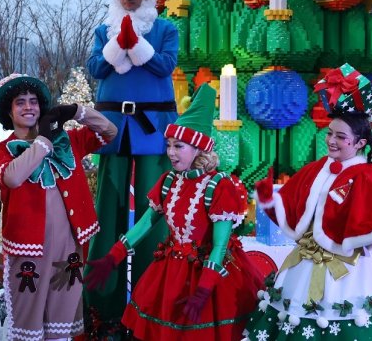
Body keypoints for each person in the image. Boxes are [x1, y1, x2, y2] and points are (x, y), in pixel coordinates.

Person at [243, 67, 372, 341]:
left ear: (360, 142)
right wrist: (270, 199)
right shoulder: (318, 168)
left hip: (352, 272)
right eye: (330, 133)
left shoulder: (369, 176)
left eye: (341, 137)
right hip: (305, 264)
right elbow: (291, 206)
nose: (331, 141)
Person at [84, 85, 263, 340]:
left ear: (199, 149)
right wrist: (113, 256)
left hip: (209, 275)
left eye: (178, 146)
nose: (170, 152)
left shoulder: (219, 185)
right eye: (168, 145)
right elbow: (146, 223)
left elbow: (220, 246)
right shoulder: (169, 181)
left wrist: (204, 289)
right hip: (171, 271)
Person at [85, 0, 179, 320]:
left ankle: (149, 299)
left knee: (151, 208)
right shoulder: (103, 29)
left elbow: (164, 66)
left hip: (151, 131)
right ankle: (103, 302)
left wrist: (137, 46)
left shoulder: (165, 29)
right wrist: (115, 44)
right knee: (107, 208)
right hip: (111, 130)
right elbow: (95, 67)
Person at [0, 73, 117, 340]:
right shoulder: (0, 151)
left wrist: (78, 111)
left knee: (63, 320)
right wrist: (42, 141)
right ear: (9, 112)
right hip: (28, 248)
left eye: (33, 101)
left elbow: (110, 132)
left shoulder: (68, 141)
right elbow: (12, 177)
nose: (28, 107)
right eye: (20, 102)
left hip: (69, 246)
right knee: (28, 318)